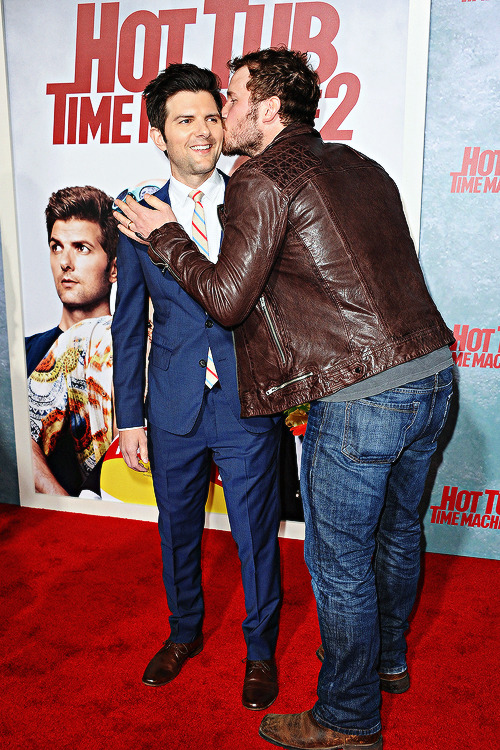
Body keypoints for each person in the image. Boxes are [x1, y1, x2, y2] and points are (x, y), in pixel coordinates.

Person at [115, 47, 455, 750]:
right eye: (199, 111)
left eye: (231, 99)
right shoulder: (358, 165)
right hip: (431, 373)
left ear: (267, 109)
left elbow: (230, 301)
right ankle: (386, 661)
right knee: (396, 535)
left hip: (359, 394)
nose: (222, 114)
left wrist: (167, 235)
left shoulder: (261, 178)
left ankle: (347, 717)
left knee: (339, 565)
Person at [110, 63, 282, 711]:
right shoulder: (135, 216)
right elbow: (129, 326)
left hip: (246, 402)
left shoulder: (256, 195)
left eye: (212, 116)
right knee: (176, 530)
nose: (204, 132)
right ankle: (184, 634)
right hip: (174, 404)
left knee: (255, 536)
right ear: (159, 134)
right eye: (185, 120)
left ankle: (260, 652)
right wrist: (130, 417)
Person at [27, 186, 118, 496]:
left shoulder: (136, 354)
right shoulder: (20, 355)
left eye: (81, 248)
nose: (65, 262)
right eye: (56, 247)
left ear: (114, 267)